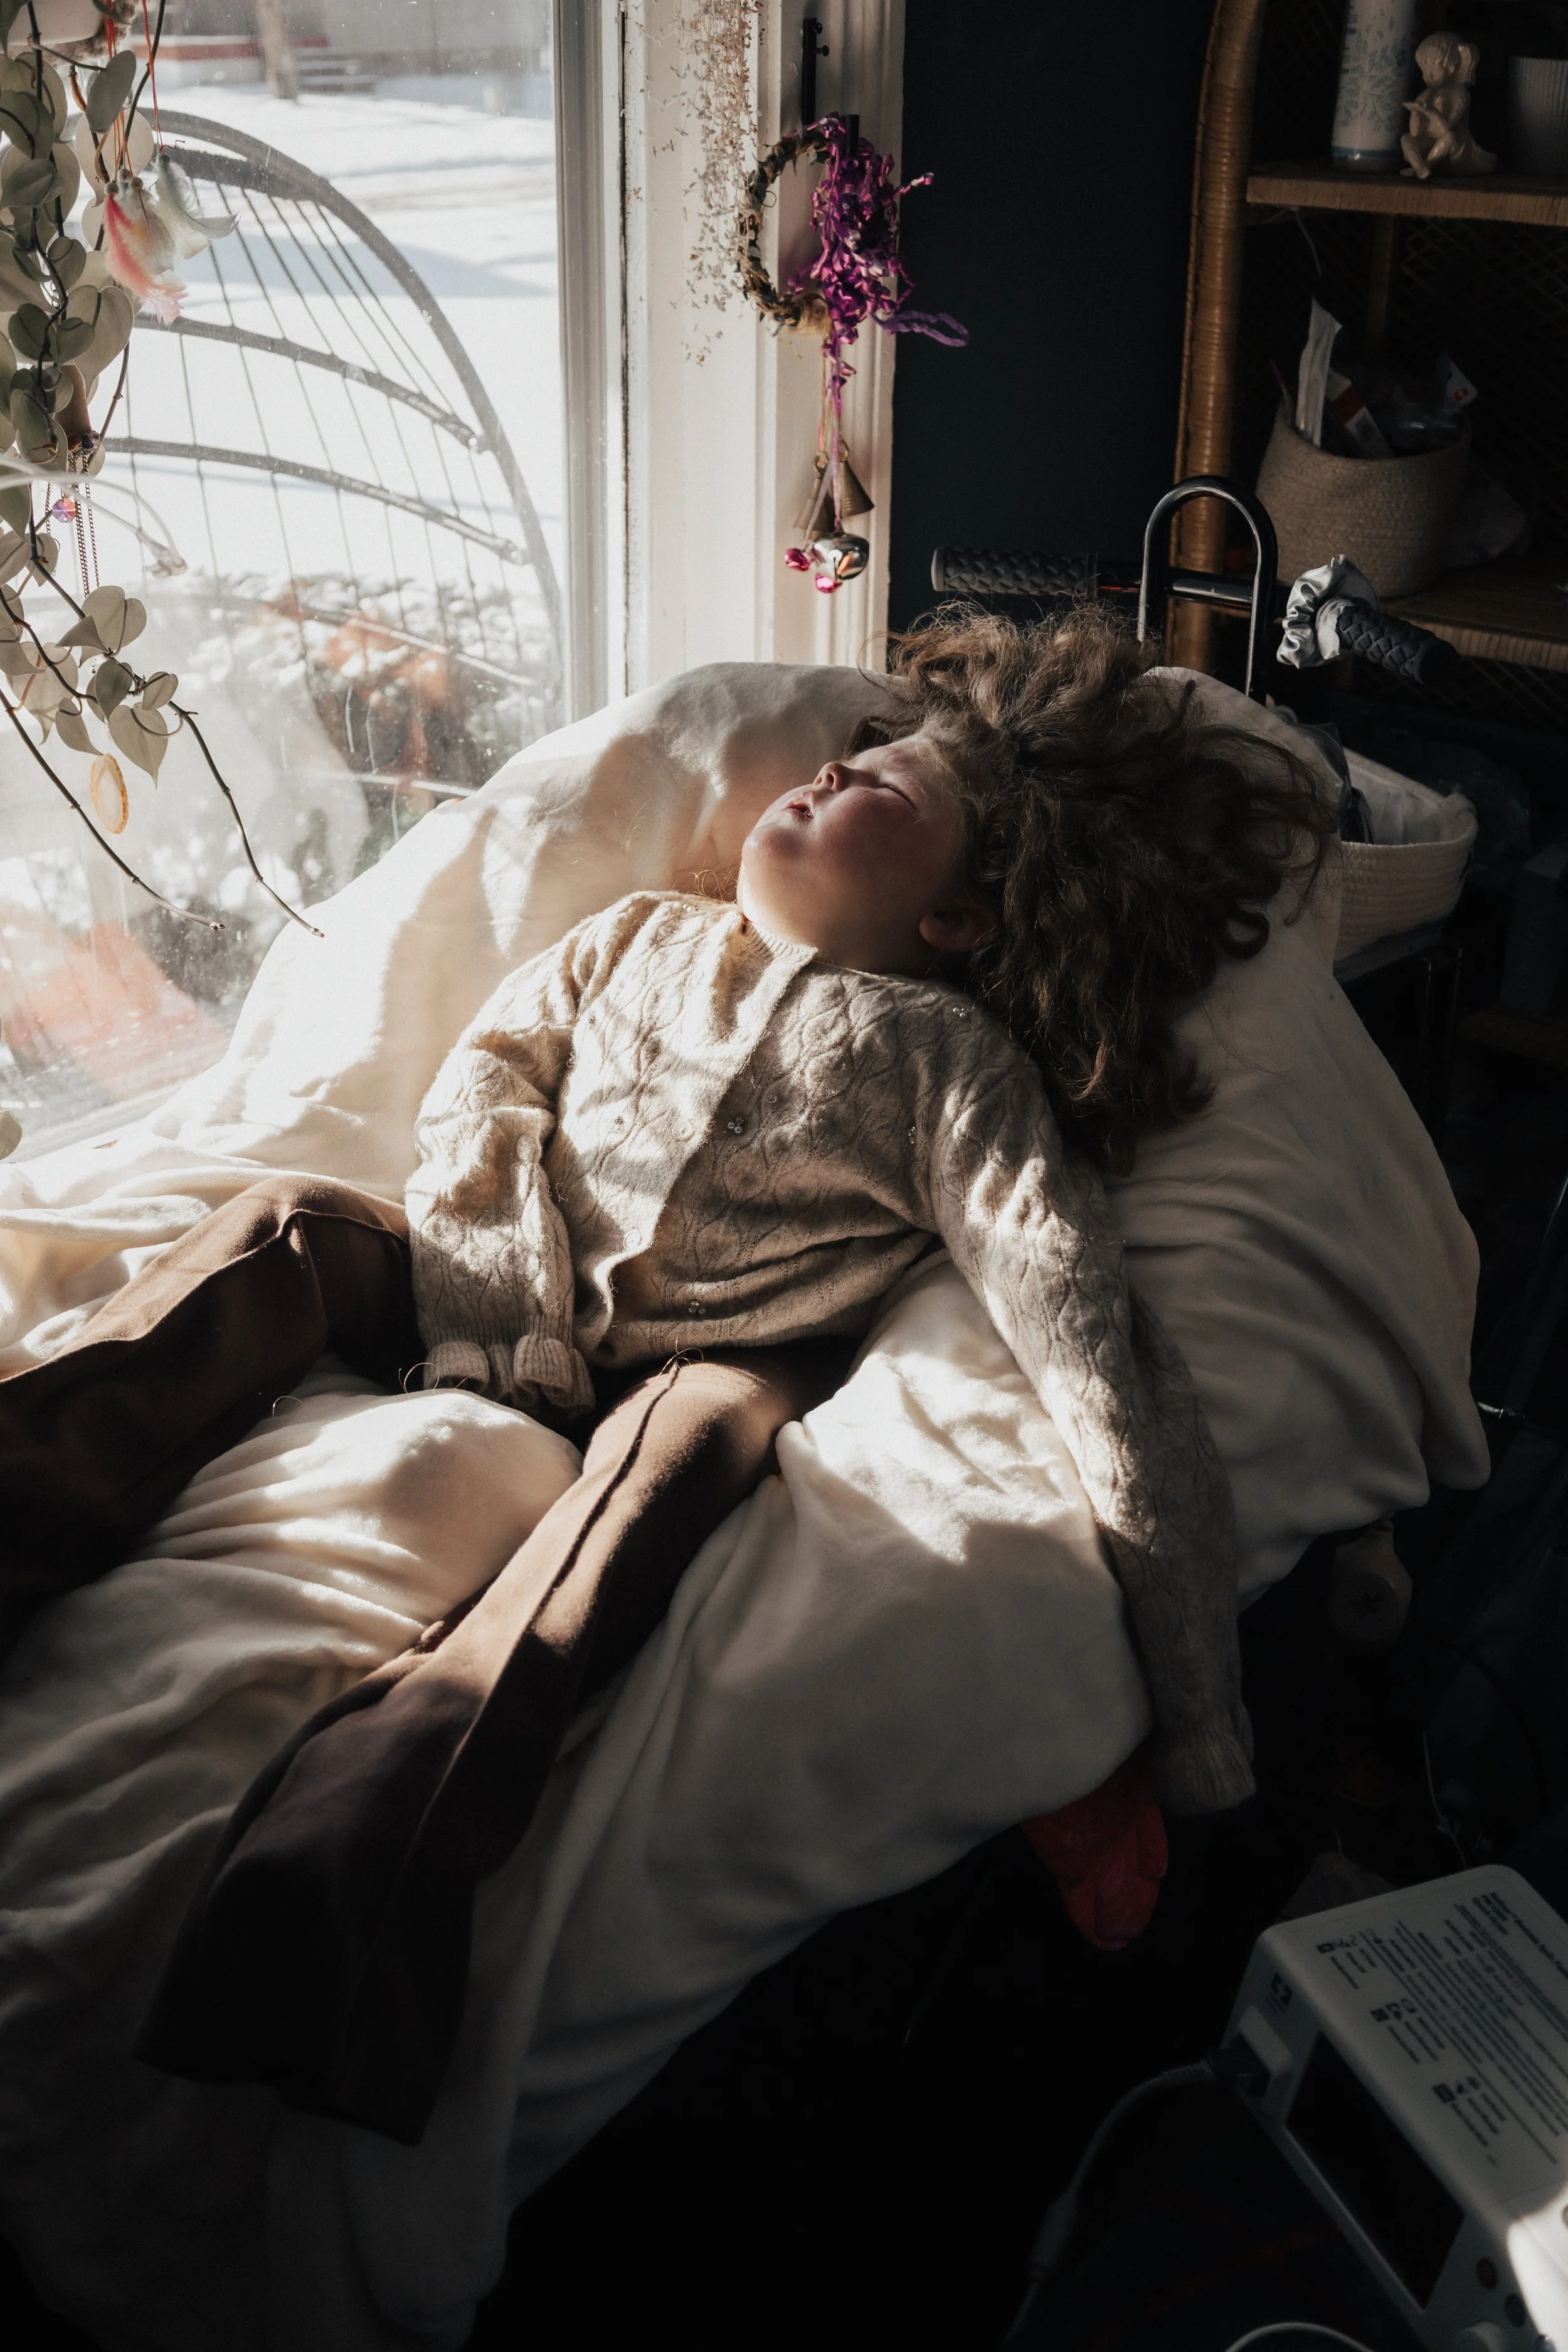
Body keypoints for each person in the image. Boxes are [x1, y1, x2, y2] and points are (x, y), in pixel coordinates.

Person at [1, 608, 1333, 2141]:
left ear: (963, 917)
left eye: (876, 797)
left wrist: (1199, 1722)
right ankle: (30, 1484)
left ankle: (346, 1884)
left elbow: (1086, 1333)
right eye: (835, 765)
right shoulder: (634, 936)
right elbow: (483, 1084)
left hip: (698, 1366)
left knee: (673, 1463)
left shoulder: (943, 1067)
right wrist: (492, 1299)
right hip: (481, 1286)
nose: (818, 786)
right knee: (288, 1224)